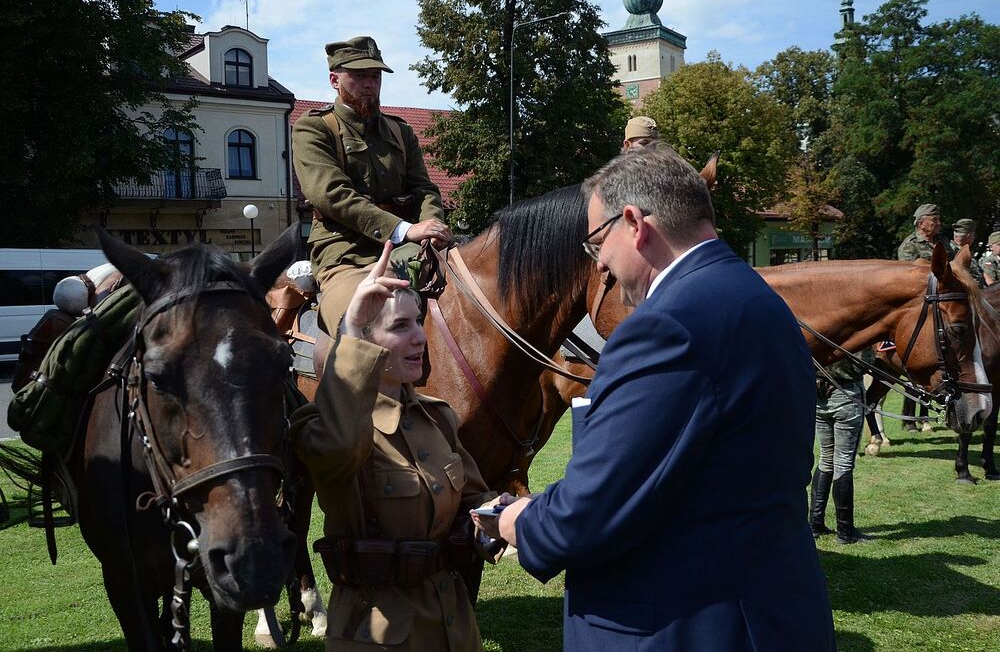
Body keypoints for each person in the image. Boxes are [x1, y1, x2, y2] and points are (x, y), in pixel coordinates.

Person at [477, 147, 835, 650]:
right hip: (769, 610)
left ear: (633, 223)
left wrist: (518, 519)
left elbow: (592, 511)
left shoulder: (666, 325)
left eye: (596, 242)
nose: (598, 264)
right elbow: (674, 472)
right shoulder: (760, 300)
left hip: (683, 623)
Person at [290, 241, 499, 651]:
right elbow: (343, 445)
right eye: (400, 326)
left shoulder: (435, 417)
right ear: (361, 343)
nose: (422, 337)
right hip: (380, 635)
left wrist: (509, 513)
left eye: (418, 321)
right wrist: (350, 328)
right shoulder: (317, 426)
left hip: (453, 626)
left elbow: (475, 499)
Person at [292, 36, 452, 333]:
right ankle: (350, 378)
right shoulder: (313, 128)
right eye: (359, 75)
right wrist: (405, 229)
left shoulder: (401, 131)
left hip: (408, 251)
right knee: (359, 321)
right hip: (344, 253)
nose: (369, 83)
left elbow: (424, 189)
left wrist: (431, 225)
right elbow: (331, 195)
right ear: (334, 80)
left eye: (375, 76)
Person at [811, 352, 876, 544]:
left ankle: (815, 524)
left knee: (826, 459)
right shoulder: (851, 333)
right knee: (844, 463)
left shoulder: (819, 331)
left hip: (819, 398)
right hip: (846, 395)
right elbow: (866, 362)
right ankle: (845, 532)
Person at [897, 203, 948, 430]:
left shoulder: (943, 243)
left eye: (938, 220)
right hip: (919, 305)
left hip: (943, 303)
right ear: (920, 223)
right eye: (933, 220)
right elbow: (906, 276)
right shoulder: (910, 245)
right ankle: (910, 417)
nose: (937, 223)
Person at [949, 218, 984, 286]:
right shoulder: (950, 252)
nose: (974, 238)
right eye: (973, 235)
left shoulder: (966, 252)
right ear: (969, 235)